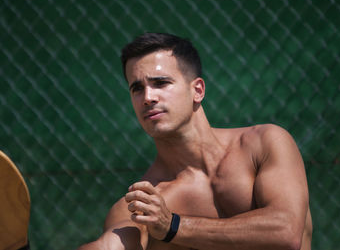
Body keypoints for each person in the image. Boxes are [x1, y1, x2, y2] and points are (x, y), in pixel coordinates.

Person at [77, 33, 312, 250]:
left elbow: (286, 231)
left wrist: (173, 226)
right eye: (137, 88)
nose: (148, 98)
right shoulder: (144, 203)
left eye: (160, 83)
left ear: (197, 90)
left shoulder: (263, 144)